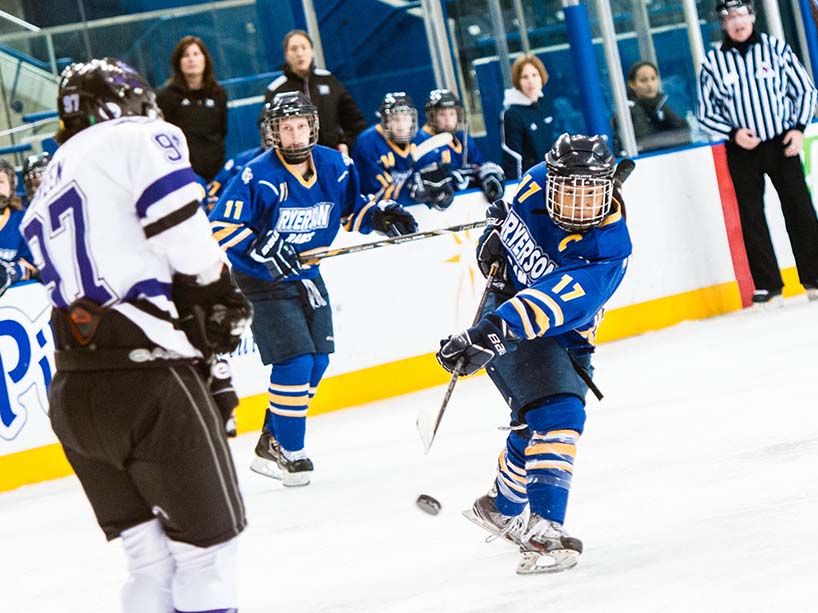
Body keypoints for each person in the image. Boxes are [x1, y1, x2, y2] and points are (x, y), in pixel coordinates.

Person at [20, 58, 252, 613]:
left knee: (146, 562)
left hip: (75, 389)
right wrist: (218, 294)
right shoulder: (137, 136)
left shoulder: (52, 174)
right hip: (149, 379)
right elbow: (183, 230)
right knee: (206, 558)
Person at [436, 134, 632, 574]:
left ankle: (501, 506)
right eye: (568, 191)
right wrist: (494, 239)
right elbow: (508, 229)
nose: (578, 207)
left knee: (537, 418)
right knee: (559, 414)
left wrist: (488, 335)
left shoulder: (608, 253)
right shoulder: (535, 182)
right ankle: (543, 532)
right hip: (505, 307)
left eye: (590, 194)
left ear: (608, 190)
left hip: (554, 331)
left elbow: (550, 304)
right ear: (552, 179)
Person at [209, 91, 417, 487]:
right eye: (285, 128)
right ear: (274, 133)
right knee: (296, 362)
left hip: (308, 276)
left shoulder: (335, 164)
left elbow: (349, 210)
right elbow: (221, 228)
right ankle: (290, 450)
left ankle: (272, 439)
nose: (293, 135)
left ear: (312, 127)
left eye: (300, 126)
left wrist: (379, 216)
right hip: (262, 280)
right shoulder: (256, 174)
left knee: (318, 362)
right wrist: (259, 246)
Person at [697, 0, 818, 304]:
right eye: (729, 17)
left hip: (782, 143)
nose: (737, 22)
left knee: (799, 209)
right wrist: (733, 133)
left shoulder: (776, 49)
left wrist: (798, 128)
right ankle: (767, 284)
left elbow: (804, 90)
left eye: (741, 15)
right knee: (751, 215)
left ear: (752, 16)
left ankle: (814, 275)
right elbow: (706, 112)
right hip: (742, 150)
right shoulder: (713, 63)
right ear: (722, 23)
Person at [264, 29, 367, 155]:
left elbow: (355, 121)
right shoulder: (276, 90)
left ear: (312, 51)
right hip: (295, 160)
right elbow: (267, 130)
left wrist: (346, 143)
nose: (300, 53)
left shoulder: (328, 80)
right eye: (294, 48)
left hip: (332, 154)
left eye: (304, 47)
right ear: (286, 54)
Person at [353, 91, 456, 210]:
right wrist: (411, 189)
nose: (402, 126)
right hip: (379, 219)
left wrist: (438, 192)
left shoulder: (420, 139)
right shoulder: (367, 143)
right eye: (395, 119)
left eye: (406, 118)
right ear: (385, 121)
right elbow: (376, 196)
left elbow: (433, 177)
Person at [157, 35, 228, 183]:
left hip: (217, 174)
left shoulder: (218, 93)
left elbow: (222, 131)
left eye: (196, 54)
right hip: (183, 174)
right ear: (178, 62)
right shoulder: (166, 96)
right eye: (185, 55)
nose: (191, 59)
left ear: (205, 59)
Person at [422, 88, 506, 203]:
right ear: (431, 117)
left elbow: (478, 165)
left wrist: (486, 174)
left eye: (452, 113)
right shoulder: (424, 141)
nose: (448, 119)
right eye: (442, 114)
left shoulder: (463, 138)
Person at [501, 55, 561, 180]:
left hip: (557, 179)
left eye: (534, 75)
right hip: (533, 183)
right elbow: (513, 156)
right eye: (524, 77)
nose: (530, 81)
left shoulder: (548, 105)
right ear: (518, 81)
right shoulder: (512, 114)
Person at [614, 61, 691, 153]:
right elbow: (645, 140)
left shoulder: (659, 103)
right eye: (643, 80)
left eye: (653, 78)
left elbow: (684, 132)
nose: (650, 85)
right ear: (632, 84)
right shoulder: (629, 108)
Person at [206, 106, 271, 210]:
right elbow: (211, 196)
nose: (270, 134)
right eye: (266, 127)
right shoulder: (241, 162)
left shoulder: (302, 165)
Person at [0, 158, 37, 297]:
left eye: (0, 181)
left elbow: (34, 265)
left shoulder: (25, 220)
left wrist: (12, 272)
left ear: (12, 186)